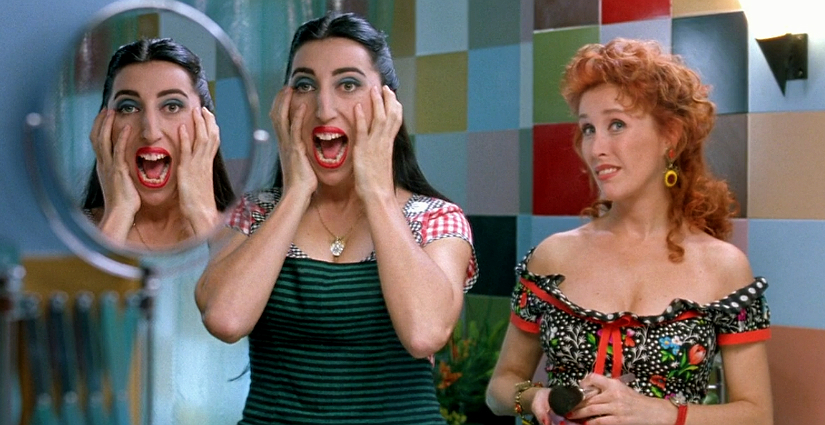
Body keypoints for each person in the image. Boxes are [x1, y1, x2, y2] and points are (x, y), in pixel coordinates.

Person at [194, 12, 478, 424]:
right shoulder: (252, 213)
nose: (324, 109)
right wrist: (295, 192)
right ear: (285, 105)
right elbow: (226, 319)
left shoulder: (437, 218)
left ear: (388, 106)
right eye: (305, 85)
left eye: (348, 84)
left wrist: (377, 192)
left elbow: (424, 334)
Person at [486, 38, 772, 425]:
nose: (596, 148)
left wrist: (662, 413)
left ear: (670, 136)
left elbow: (757, 415)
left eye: (616, 124)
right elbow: (500, 388)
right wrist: (538, 397)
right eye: (588, 129)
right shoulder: (553, 256)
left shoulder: (724, 267)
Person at [83, 37, 235, 250]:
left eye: (172, 106)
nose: (150, 133)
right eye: (128, 107)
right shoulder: (73, 228)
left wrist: (203, 213)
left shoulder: (251, 229)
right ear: (103, 127)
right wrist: (117, 214)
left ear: (206, 126)